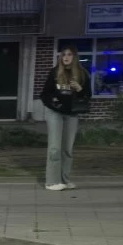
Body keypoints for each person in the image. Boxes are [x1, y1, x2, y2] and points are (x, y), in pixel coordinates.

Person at [40, 46, 90, 191]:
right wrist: (55, 103)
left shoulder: (82, 73)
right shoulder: (55, 72)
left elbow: (88, 95)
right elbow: (45, 94)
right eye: (63, 55)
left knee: (67, 148)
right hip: (55, 113)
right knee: (55, 147)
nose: (66, 57)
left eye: (69, 55)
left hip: (72, 114)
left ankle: (64, 179)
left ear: (74, 57)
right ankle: (51, 181)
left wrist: (79, 89)